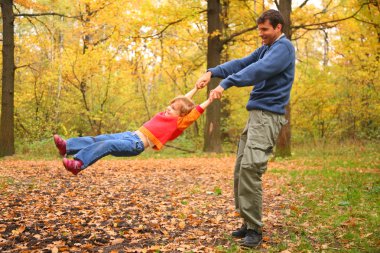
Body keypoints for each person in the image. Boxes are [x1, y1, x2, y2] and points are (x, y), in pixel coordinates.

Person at [196, 9, 295, 247]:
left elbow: (258, 70)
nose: (261, 34)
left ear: (278, 28)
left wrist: (227, 83)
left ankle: (255, 230)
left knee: (251, 169)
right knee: (241, 168)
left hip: (268, 117)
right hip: (256, 115)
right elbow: (243, 63)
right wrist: (213, 72)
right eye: (259, 29)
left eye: (265, 30)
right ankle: (247, 223)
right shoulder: (266, 49)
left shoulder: (284, 48)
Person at [53, 85, 213, 175]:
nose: (168, 108)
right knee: (100, 139)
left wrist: (210, 99)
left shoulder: (177, 122)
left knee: (107, 145)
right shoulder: (170, 113)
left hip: (135, 144)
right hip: (129, 135)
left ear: (181, 115)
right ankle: (67, 146)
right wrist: (195, 88)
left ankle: (78, 164)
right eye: (170, 106)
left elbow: (194, 112)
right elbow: (182, 100)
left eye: (172, 109)